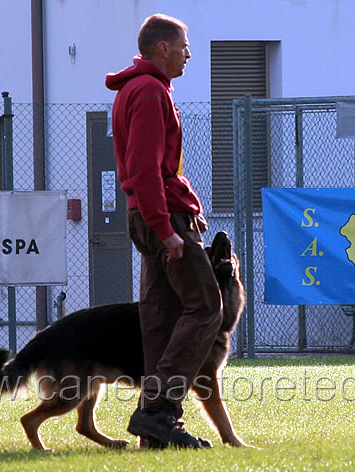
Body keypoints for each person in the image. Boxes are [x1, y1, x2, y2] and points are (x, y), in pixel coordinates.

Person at [105, 14, 222, 449]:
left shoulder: (135, 88)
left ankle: (155, 434)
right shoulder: (151, 91)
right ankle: (157, 410)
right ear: (162, 49)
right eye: (184, 46)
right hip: (163, 217)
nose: (189, 54)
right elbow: (145, 167)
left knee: (158, 319)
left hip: (150, 215)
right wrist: (168, 229)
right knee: (207, 306)